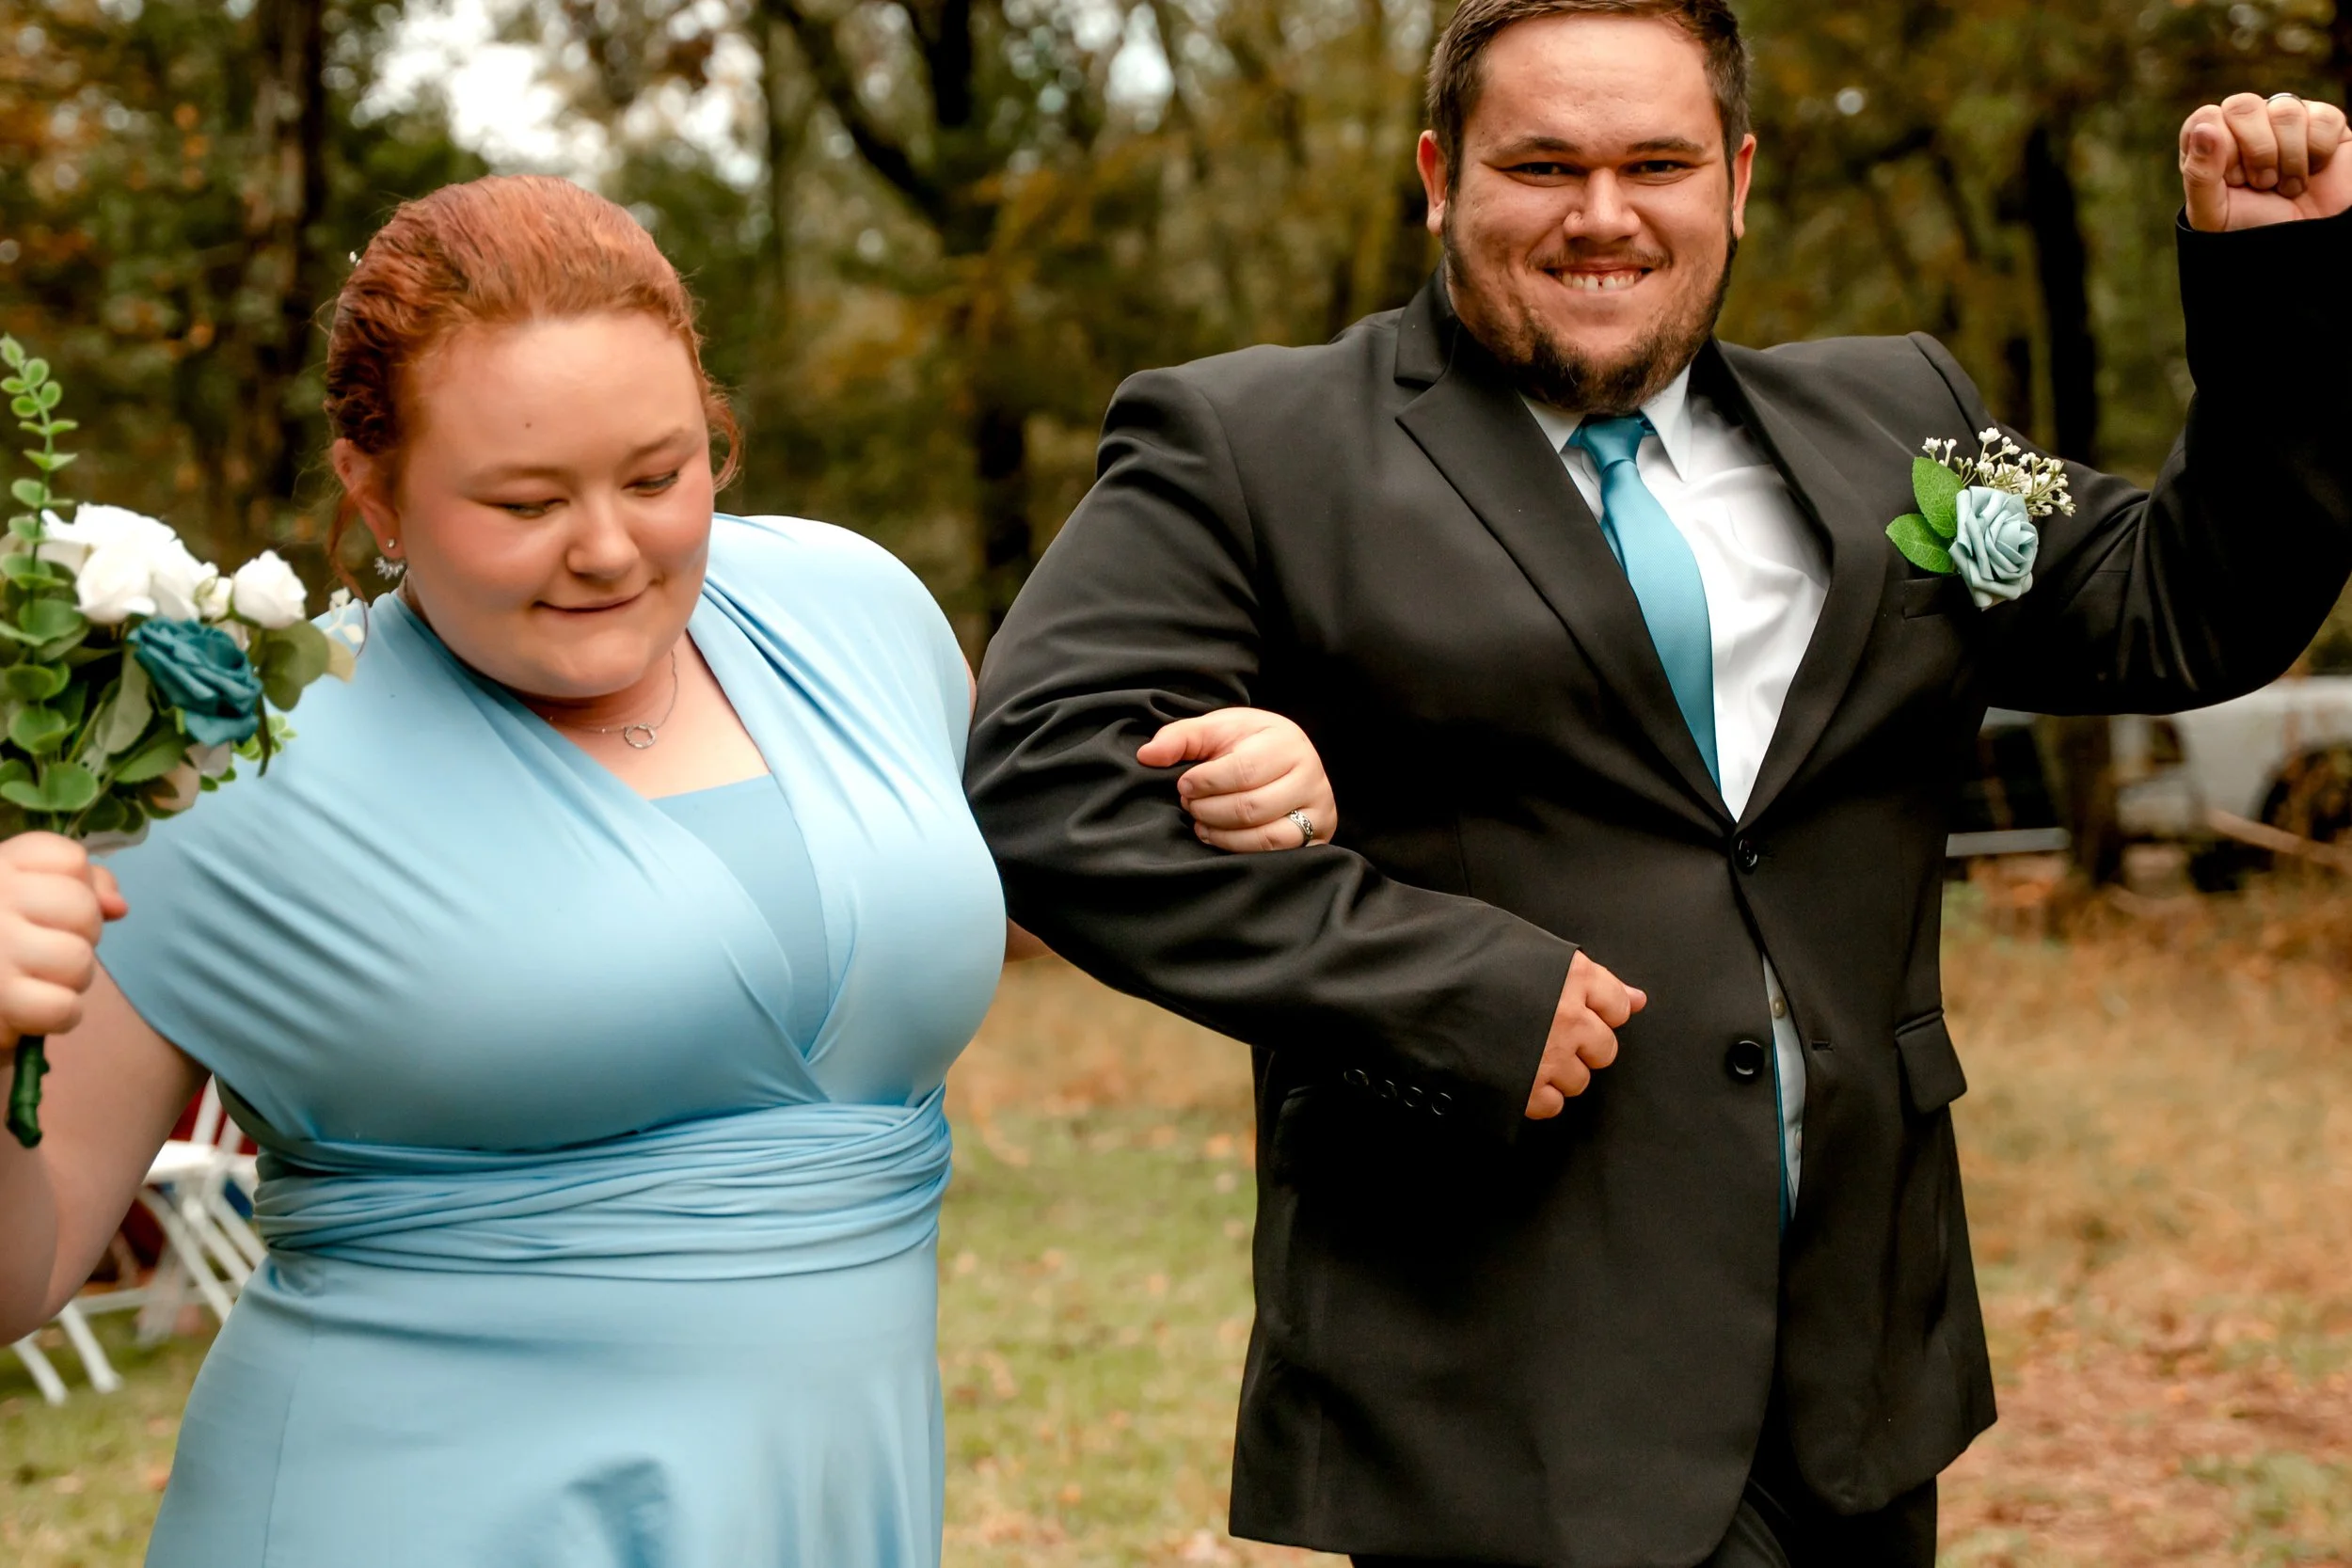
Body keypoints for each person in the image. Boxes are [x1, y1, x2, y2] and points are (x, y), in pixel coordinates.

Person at [963, 2, 2352, 1563]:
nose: (1603, 216)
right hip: (1503, 1388)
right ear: (1440, 176)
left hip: (1852, 1373)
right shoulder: (1252, 446)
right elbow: (1044, 772)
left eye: (1658, 163)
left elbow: (2185, 600)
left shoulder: (1908, 428)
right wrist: (1450, 986)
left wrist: (2274, 282)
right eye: (1543, 164)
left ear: (1738, 179)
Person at [0, 174, 1338, 1567]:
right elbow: (24, 1270)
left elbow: (1021, 863)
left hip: (831, 1505)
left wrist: (1244, 782)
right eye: (523, 501)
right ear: (372, 488)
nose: (608, 548)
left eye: (659, 475)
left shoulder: (859, 612)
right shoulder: (229, 767)